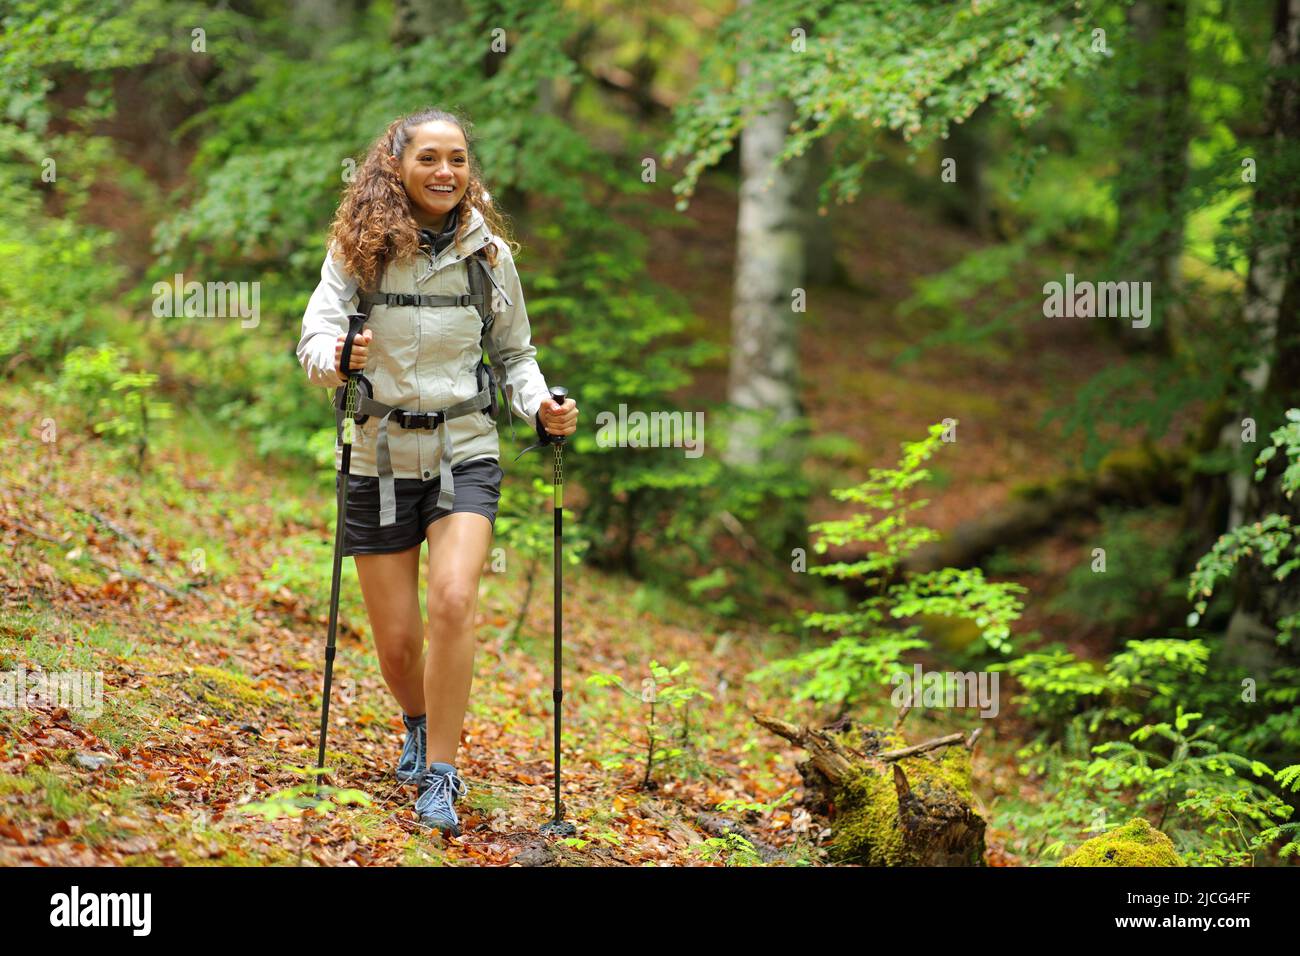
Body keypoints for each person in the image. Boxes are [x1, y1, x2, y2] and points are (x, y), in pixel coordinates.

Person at [296, 107, 578, 836]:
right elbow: (316, 336)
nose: (445, 171)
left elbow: (516, 356)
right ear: (397, 163)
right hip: (378, 457)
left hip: (464, 449)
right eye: (428, 157)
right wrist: (336, 359)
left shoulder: (489, 256)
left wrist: (541, 405)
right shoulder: (357, 247)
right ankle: (417, 722)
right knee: (397, 644)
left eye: (456, 158)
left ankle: (442, 775)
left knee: (454, 600)